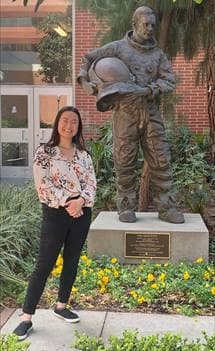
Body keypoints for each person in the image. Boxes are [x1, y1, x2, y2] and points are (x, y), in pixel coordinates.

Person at [78, 6, 184, 224]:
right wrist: (84, 82)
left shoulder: (157, 55)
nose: (150, 28)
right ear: (134, 25)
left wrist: (148, 90)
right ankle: (126, 207)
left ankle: (167, 207)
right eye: (146, 24)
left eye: (153, 24)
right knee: (124, 161)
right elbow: (88, 59)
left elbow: (169, 81)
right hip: (124, 113)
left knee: (160, 159)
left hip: (149, 110)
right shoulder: (118, 48)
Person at [13, 106, 97, 340]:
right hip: (55, 215)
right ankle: (26, 317)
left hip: (81, 215)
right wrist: (69, 203)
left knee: (72, 261)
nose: (69, 125)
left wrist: (80, 201)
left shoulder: (84, 155)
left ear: (78, 127)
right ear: (57, 123)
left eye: (74, 122)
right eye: (65, 120)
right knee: (44, 264)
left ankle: (61, 306)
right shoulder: (45, 153)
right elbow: (43, 185)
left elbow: (91, 183)